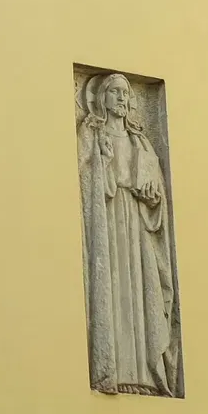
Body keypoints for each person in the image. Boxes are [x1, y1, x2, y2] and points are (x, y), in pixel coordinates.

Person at [77, 73, 178, 395]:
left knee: (142, 293)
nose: (122, 98)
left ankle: (146, 375)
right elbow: (86, 182)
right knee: (113, 288)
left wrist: (152, 197)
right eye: (115, 92)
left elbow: (157, 195)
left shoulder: (141, 142)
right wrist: (102, 162)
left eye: (126, 93)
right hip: (108, 224)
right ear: (101, 98)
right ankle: (114, 369)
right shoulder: (93, 135)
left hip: (137, 226)